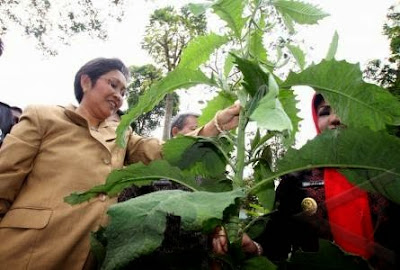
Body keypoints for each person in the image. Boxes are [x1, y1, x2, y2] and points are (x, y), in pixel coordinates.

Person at [0, 57, 240, 270]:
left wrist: (214, 126)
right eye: (113, 85)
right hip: (26, 248)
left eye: (124, 91)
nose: (119, 96)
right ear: (86, 82)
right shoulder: (44, 115)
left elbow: (161, 151)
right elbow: (5, 176)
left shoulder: (122, 135)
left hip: (86, 255)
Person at [213, 93, 400, 269]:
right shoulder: (297, 176)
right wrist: (254, 247)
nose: (334, 118)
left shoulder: (389, 168)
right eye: (325, 112)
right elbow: (279, 236)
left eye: (345, 110)